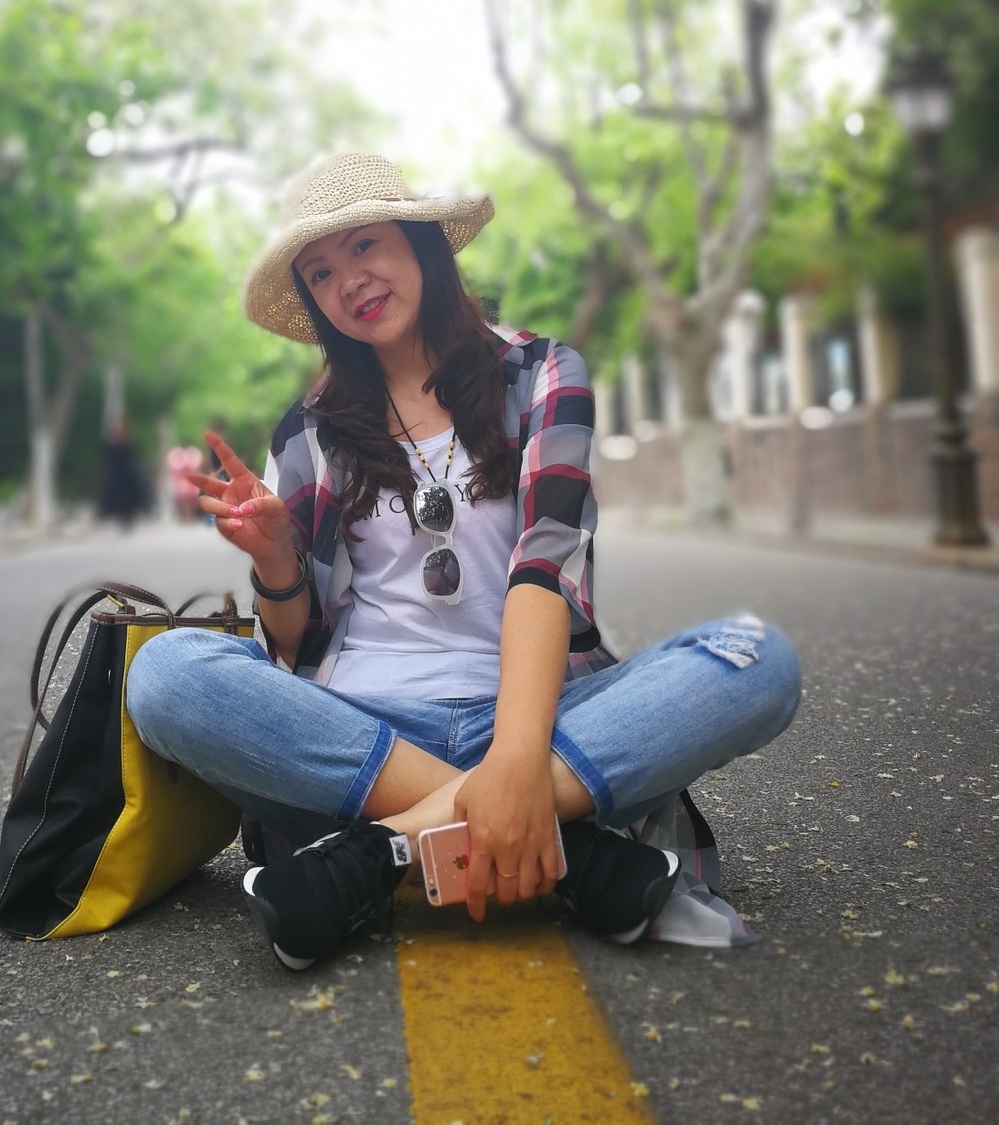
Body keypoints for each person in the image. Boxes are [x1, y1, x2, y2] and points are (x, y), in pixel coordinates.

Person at [126, 152, 801, 971]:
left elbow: (546, 567)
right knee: (164, 672)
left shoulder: (540, 373)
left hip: (540, 718)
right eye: (321, 272)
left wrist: (514, 756)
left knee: (757, 656)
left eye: (365, 245)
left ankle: (378, 852)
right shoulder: (308, 431)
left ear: (421, 243)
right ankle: (568, 846)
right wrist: (275, 558)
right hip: (363, 734)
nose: (349, 281)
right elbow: (294, 643)